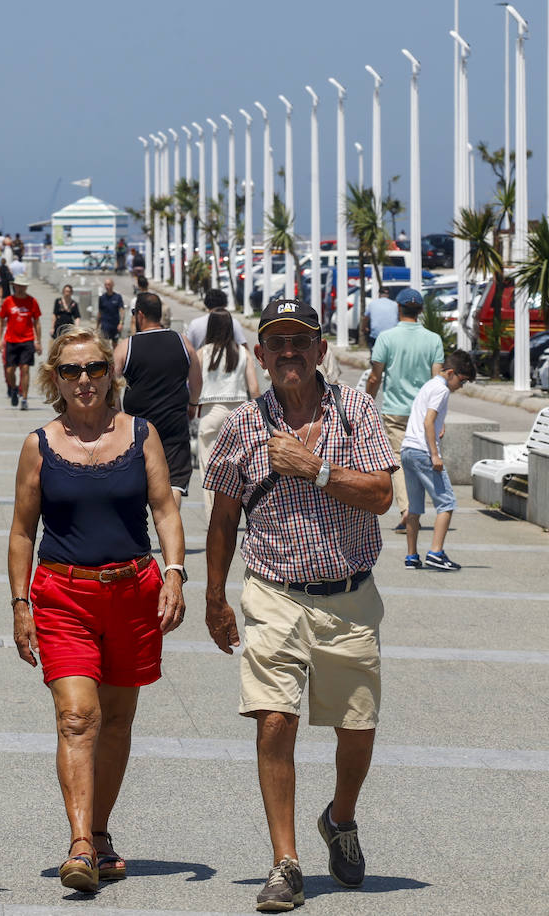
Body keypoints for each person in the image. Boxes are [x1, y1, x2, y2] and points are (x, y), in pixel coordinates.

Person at [202, 297, 396, 913]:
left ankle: (340, 819)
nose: (289, 352)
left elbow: (382, 496)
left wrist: (315, 471)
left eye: (300, 342)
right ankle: (285, 863)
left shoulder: (356, 412)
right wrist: (213, 595)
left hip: (347, 596)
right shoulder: (241, 426)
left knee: (357, 728)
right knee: (274, 719)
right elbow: (224, 517)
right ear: (261, 354)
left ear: (320, 351)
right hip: (272, 594)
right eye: (277, 342)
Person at [7, 327, 186, 894]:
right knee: (78, 717)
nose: (84, 380)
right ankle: (80, 844)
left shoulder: (142, 434)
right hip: (62, 595)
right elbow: (20, 530)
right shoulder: (39, 444)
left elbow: (165, 509)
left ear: (112, 373)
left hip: (133, 592)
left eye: (94, 369)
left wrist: (175, 574)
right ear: (54, 379)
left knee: (118, 723)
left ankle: (102, 833)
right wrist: (19, 604)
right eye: (71, 371)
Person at [365, 286, 444, 532]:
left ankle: (407, 508)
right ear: (420, 311)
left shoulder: (386, 338)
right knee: (421, 459)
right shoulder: (434, 340)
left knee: (398, 460)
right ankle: (416, 507)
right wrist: (440, 418)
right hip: (425, 414)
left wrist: (366, 404)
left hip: (395, 411)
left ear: (398, 309)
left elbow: (375, 378)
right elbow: (437, 381)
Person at [113, 293, 201, 507]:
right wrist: (193, 404)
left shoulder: (127, 346)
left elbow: (112, 386)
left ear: (140, 315)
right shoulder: (182, 341)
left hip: (138, 427)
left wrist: (118, 415)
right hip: (174, 424)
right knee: (175, 482)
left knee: (138, 479)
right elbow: (197, 379)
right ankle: (171, 532)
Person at [401, 350, 477, 571]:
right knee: (447, 503)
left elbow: (427, 419)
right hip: (424, 452)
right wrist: (434, 454)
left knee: (414, 507)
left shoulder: (429, 385)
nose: (460, 387)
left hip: (408, 449)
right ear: (451, 373)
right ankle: (436, 552)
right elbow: (428, 421)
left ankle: (411, 556)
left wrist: (437, 428)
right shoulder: (441, 389)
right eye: (461, 381)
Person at [195, 310, 260, 517]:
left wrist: (191, 404)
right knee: (240, 470)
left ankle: (213, 518)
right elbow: (254, 387)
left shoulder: (203, 353)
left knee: (210, 471)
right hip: (239, 414)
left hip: (210, 412)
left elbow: (194, 386)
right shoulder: (243, 353)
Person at [0, 276, 42, 410]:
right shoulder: (8, 301)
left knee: (25, 368)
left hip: (27, 340)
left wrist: (38, 341)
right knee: (10, 370)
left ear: (26, 287)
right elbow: (0, 319)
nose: (21, 288)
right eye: (18, 286)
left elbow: (37, 322)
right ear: (14, 286)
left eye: (23, 286)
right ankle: (14, 388)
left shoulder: (32, 301)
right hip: (11, 340)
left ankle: (25, 398)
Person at [97, 278, 125, 345]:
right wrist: (97, 326)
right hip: (105, 324)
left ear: (112, 285)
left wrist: (121, 323)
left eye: (109, 285)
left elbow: (121, 310)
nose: (107, 286)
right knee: (105, 344)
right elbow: (100, 312)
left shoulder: (118, 297)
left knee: (115, 344)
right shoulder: (102, 298)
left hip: (115, 324)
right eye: (106, 285)